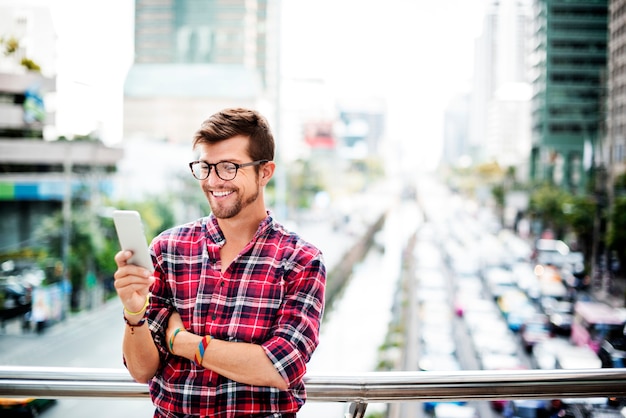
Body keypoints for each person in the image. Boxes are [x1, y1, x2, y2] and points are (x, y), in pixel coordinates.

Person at [113, 107, 326, 417]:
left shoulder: (300, 260)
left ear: (264, 172)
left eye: (229, 167)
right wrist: (134, 312)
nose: (213, 181)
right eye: (205, 167)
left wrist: (181, 341)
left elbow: (281, 367)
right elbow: (142, 371)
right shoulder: (167, 250)